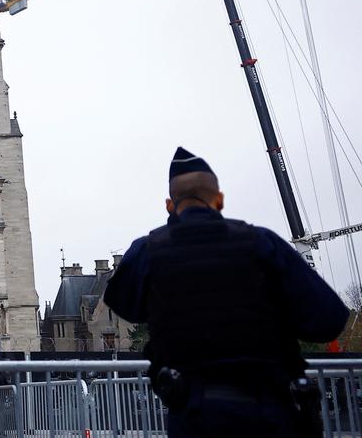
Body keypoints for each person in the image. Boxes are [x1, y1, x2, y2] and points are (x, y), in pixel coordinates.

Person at [104, 147, 349, 438]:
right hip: (272, 409)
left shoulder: (147, 251)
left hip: (197, 413)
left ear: (170, 205)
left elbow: (126, 307)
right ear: (219, 200)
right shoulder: (262, 243)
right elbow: (328, 321)